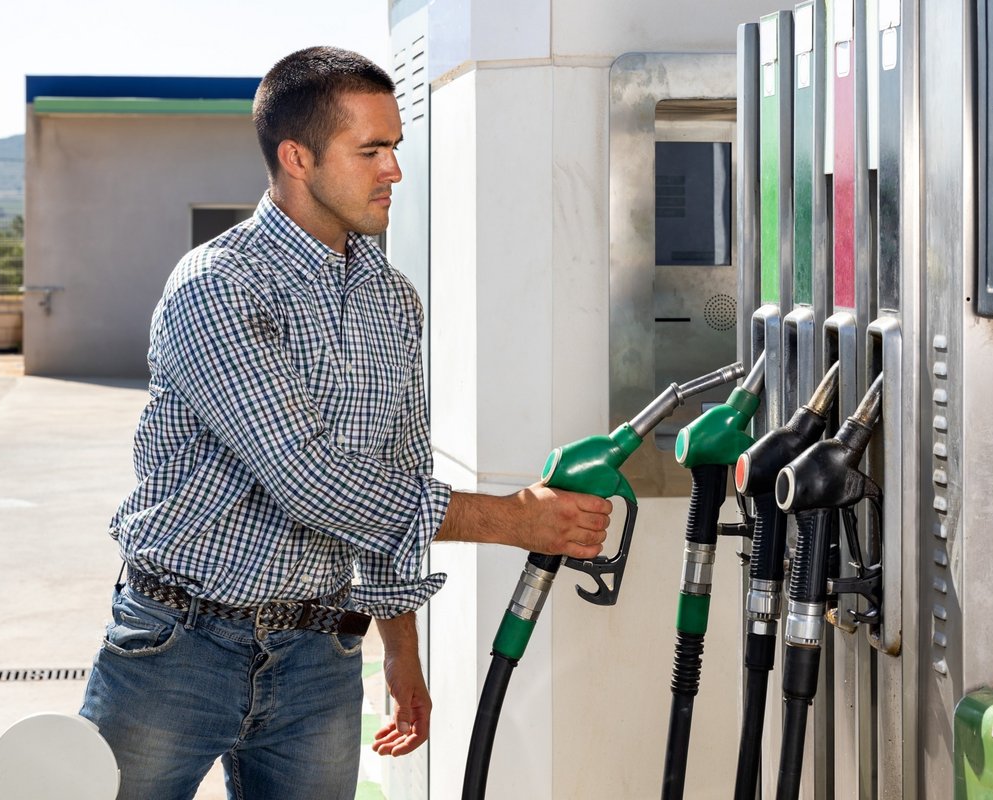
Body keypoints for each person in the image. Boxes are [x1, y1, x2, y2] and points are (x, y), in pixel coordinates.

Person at [78, 45, 612, 800]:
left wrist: (402, 651)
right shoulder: (218, 288)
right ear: (297, 157)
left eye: (395, 147)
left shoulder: (392, 300)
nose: (394, 169)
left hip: (318, 660)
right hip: (175, 649)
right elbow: (311, 479)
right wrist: (513, 520)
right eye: (371, 150)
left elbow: (393, 476)